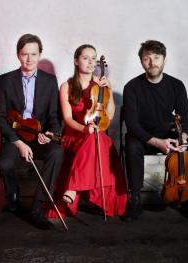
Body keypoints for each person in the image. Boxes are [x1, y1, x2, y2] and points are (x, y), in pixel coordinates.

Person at [122, 40, 188, 221]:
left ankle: (187, 198)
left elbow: (186, 119)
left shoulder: (176, 85)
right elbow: (132, 125)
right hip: (143, 136)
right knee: (132, 146)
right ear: (141, 62)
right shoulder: (131, 88)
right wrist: (156, 142)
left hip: (170, 135)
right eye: (146, 58)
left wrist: (182, 138)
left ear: (164, 59)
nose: (152, 63)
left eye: (156, 57)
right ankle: (134, 199)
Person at [46, 44, 127, 219]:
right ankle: (78, 189)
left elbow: (110, 115)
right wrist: (85, 128)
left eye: (93, 58)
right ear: (76, 60)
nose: (91, 62)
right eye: (85, 58)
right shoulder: (66, 86)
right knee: (95, 138)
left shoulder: (100, 84)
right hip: (74, 135)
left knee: (97, 137)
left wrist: (109, 91)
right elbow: (67, 118)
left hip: (95, 135)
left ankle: (73, 188)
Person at [0, 34, 63, 230]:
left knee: (57, 153)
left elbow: (54, 115)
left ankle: (37, 207)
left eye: (34, 54)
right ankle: (13, 193)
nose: (29, 59)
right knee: (5, 163)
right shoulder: (6, 80)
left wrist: (50, 133)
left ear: (40, 54)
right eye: (25, 54)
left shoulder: (50, 81)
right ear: (18, 55)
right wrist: (17, 142)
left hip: (38, 136)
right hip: (15, 137)